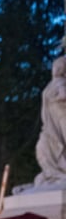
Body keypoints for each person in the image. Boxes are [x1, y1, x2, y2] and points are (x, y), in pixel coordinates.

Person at [35, 56, 66, 186]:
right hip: (53, 119)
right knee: (46, 145)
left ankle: (60, 170)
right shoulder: (56, 83)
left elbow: (63, 95)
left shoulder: (59, 83)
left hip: (60, 115)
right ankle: (55, 172)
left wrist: (56, 99)